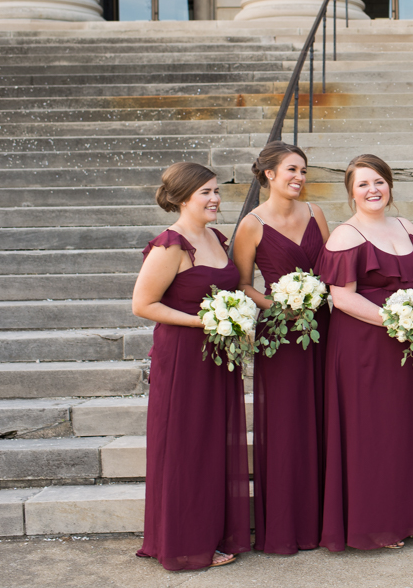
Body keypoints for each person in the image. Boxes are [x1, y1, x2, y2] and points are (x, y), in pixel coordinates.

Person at [132, 162, 250, 570]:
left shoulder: (216, 238)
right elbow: (142, 305)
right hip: (183, 357)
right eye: (206, 192)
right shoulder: (171, 244)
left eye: (217, 191)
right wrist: (209, 321)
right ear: (183, 198)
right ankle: (184, 543)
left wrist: (235, 319)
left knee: (212, 444)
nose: (216, 199)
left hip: (217, 357)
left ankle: (211, 532)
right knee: (186, 446)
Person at [317, 154, 413, 551]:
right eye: (364, 184)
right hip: (363, 347)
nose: (373, 190)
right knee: (372, 432)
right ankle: (375, 523)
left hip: (407, 346)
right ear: (352, 192)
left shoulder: (406, 226)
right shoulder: (345, 236)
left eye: (379, 182)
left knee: (405, 427)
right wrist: (397, 320)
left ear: (390, 185)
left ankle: (411, 514)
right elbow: (343, 299)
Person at [231, 142, 330, 554]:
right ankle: (290, 527)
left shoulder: (316, 214)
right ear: (269, 174)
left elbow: (330, 268)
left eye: (304, 171)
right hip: (281, 333)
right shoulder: (252, 224)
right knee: (288, 425)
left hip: (320, 329)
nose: (299, 178)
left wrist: (315, 298)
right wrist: (280, 306)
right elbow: (241, 283)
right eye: (292, 170)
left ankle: (326, 522)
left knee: (324, 418)